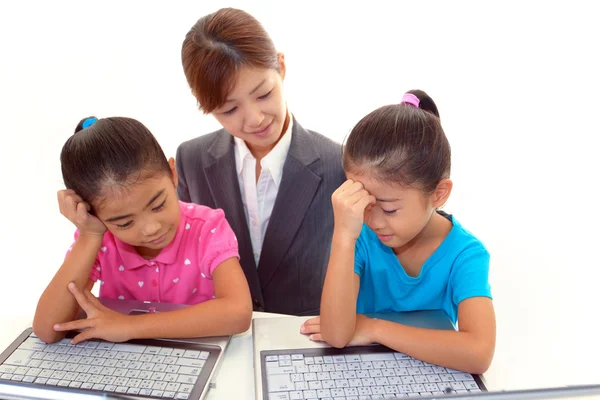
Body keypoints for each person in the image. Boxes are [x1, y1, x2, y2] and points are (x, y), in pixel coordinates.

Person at [301, 90, 496, 374]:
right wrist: (343, 237)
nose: (375, 221)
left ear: (439, 194)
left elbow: (478, 354)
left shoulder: (466, 255)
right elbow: (336, 335)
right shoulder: (359, 237)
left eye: (390, 209)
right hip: (361, 374)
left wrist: (374, 328)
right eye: (365, 203)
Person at [176, 8, 346, 315]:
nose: (254, 119)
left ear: (281, 66)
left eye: (264, 94)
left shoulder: (340, 165)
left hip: (308, 345)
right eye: (229, 110)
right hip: (220, 338)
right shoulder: (191, 161)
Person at [33, 116, 252, 344]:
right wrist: (89, 236)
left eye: (158, 205)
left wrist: (129, 327)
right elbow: (49, 330)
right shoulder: (100, 239)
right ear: (94, 215)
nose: (151, 228)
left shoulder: (207, 228)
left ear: (172, 173)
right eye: (125, 223)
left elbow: (238, 313)